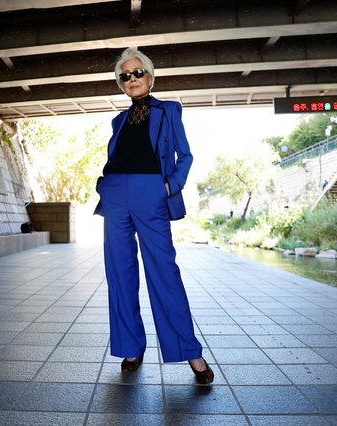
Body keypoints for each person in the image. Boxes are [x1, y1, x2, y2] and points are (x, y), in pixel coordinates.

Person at [93, 48, 213, 384]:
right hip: (116, 193)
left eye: (137, 72)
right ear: (121, 83)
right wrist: (104, 185)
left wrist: (169, 187)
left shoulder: (170, 110)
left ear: (150, 76)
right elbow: (116, 156)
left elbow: (185, 156)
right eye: (125, 75)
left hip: (152, 192)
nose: (131, 79)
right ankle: (131, 346)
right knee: (119, 272)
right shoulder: (117, 120)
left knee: (164, 271)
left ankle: (189, 351)